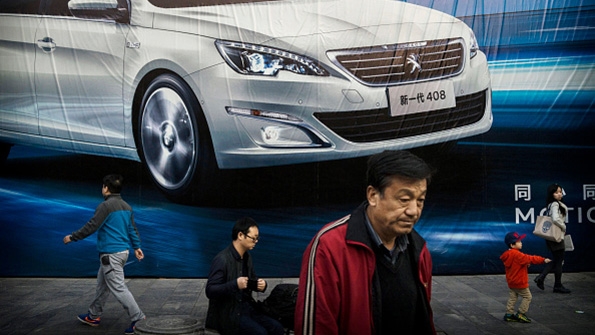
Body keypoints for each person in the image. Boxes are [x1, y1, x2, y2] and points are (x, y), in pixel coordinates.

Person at [295, 150, 436, 335]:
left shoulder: (419, 249)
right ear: (373, 195)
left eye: (420, 200)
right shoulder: (329, 246)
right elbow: (316, 326)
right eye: (404, 199)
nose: (413, 211)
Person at [63, 174, 145, 335]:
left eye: (103, 186)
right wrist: (137, 247)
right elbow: (132, 229)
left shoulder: (105, 206)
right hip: (121, 253)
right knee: (102, 285)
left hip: (111, 255)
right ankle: (93, 315)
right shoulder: (126, 206)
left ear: (106, 188)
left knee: (119, 288)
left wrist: (73, 237)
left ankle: (139, 319)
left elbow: (92, 226)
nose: (102, 188)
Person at [205, 217, 284, 335]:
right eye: (253, 238)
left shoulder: (247, 257)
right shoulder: (222, 259)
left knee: (277, 328)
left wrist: (260, 285)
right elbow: (210, 290)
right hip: (229, 314)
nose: (256, 241)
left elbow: (251, 280)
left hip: (247, 308)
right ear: (240, 235)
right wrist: (235, 284)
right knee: (260, 333)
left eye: (257, 238)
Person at [500, 232, 551, 323]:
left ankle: (509, 314)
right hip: (520, 282)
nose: (521, 243)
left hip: (511, 282)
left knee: (513, 297)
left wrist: (525, 264)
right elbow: (530, 258)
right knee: (528, 297)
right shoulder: (518, 255)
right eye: (519, 241)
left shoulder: (507, 254)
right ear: (512, 245)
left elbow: (516, 265)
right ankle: (521, 313)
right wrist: (543, 260)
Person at [534, 183, 571, 293]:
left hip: (552, 235)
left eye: (560, 192)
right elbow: (555, 218)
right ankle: (556, 285)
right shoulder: (555, 204)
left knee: (557, 259)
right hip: (555, 235)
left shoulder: (554, 204)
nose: (559, 194)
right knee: (559, 260)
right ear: (552, 194)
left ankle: (542, 277)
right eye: (556, 192)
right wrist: (563, 226)